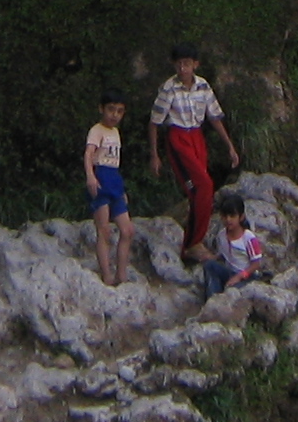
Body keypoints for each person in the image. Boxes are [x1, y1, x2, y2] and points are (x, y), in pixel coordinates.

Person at [148, 42, 239, 263]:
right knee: (203, 186)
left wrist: (229, 145)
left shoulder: (203, 87)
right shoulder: (168, 88)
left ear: (195, 65)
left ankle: (190, 244)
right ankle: (194, 244)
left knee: (201, 192)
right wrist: (155, 154)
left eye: (187, 64)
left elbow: (215, 117)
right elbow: (154, 122)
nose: (183, 69)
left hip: (196, 136)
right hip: (178, 138)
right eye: (179, 65)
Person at [84, 91, 135, 286]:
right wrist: (90, 176)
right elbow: (89, 154)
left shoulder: (115, 132)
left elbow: (115, 161)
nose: (114, 115)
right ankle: (107, 274)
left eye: (119, 111)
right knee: (104, 230)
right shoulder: (96, 130)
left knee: (127, 230)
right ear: (102, 109)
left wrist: (121, 189)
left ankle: (122, 274)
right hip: (101, 178)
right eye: (111, 110)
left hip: (114, 179)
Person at [200, 190, 263, 301]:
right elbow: (224, 254)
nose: (228, 219)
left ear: (241, 217)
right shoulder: (221, 235)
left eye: (232, 216)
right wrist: (212, 258)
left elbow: (256, 264)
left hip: (247, 276)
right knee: (209, 266)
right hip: (230, 272)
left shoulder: (249, 238)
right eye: (225, 216)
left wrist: (239, 277)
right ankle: (213, 299)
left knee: (232, 291)